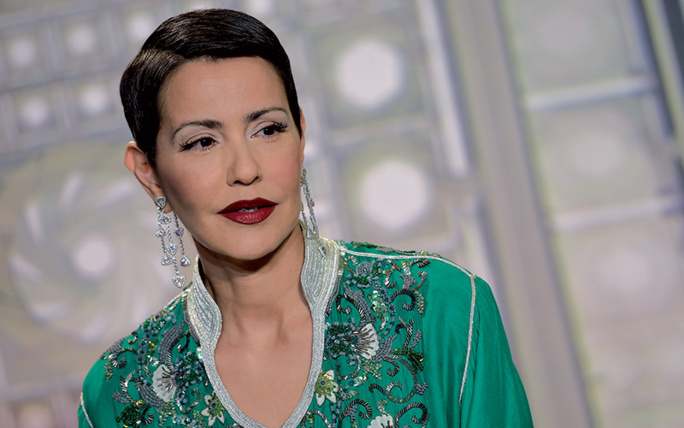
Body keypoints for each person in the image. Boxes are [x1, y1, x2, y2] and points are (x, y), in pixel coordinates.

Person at [78, 8, 532, 428]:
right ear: (149, 172)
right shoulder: (120, 391)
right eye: (202, 142)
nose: (245, 170)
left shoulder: (436, 307)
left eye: (268, 129)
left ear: (300, 135)